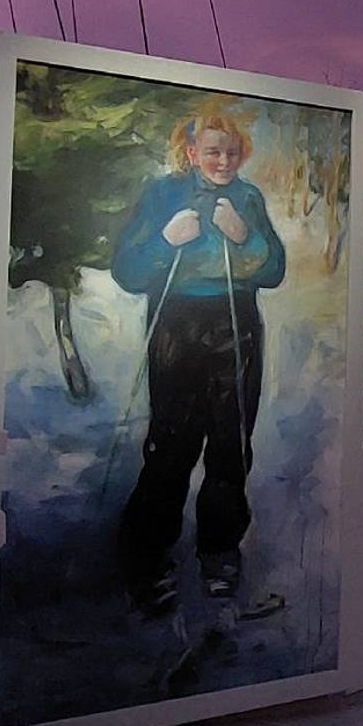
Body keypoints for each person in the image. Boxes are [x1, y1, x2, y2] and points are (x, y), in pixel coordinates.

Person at [112, 101, 285, 616]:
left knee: (231, 446)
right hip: (177, 326)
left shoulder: (248, 198)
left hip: (236, 326)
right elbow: (127, 269)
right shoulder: (163, 194)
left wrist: (243, 237)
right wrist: (166, 241)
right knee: (171, 445)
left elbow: (273, 269)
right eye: (213, 151)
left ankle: (219, 557)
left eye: (232, 152)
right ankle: (146, 563)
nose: (223, 160)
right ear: (191, 152)